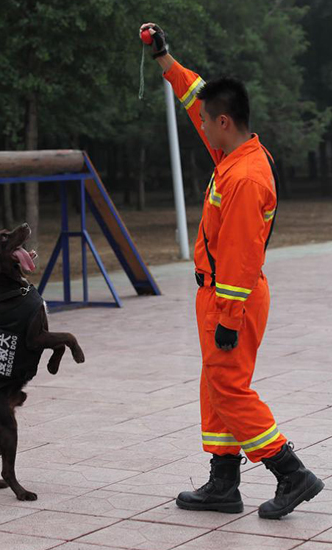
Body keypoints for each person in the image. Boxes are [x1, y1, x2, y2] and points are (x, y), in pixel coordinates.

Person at [139, 22, 324, 519]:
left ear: (223, 122)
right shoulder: (234, 153)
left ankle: (291, 472)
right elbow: (195, 95)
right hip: (219, 293)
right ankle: (223, 484)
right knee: (216, 385)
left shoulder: (244, 177)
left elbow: (242, 257)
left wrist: (228, 318)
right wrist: (164, 59)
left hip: (231, 297)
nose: (199, 124)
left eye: (205, 120)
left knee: (230, 389)